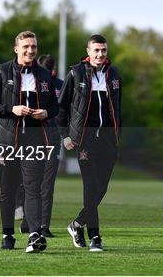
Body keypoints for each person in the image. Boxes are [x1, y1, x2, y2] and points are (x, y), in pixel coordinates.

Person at [0, 30, 58, 253]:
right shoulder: (2, 72)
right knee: (7, 189)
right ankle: (8, 234)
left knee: (33, 187)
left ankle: (34, 235)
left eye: (33, 47)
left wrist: (46, 113)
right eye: (25, 47)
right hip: (7, 142)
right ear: (16, 49)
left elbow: (56, 107)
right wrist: (11, 109)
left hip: (34, 141)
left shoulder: (44, 75)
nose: (30, 50)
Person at [57, 34, 122, 252]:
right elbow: (62, 107)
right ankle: (95, 236)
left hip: (108, 140)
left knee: (101, 189)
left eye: (103, 50)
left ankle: (76, 225)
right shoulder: (76, 73)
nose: (100, 54)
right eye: (96, 50)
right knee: (90, 186)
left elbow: (117, 109)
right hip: (84, 140)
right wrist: (65, 135)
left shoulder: (114, 75)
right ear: (88, 52)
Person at [36, 54, 63, 237]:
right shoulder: (61, 85)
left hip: (34, 136)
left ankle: (30, 223)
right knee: (47, 184)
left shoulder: (32, 82)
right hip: (52, 137)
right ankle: (43, 226)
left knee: (30, 181)